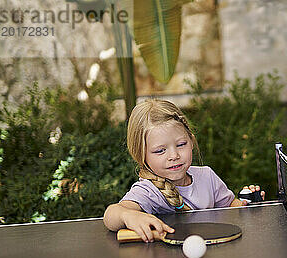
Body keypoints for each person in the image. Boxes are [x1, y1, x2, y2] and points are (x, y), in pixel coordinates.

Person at [103, 99, 264, 242]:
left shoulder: (207, 176)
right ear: (141, 155)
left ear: (191, 141)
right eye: (160, 151)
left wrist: (247, 205)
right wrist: (128, 215)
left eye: (181, 145)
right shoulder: (148, 191)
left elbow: (230, 206)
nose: (174, 155)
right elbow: (111, 214)